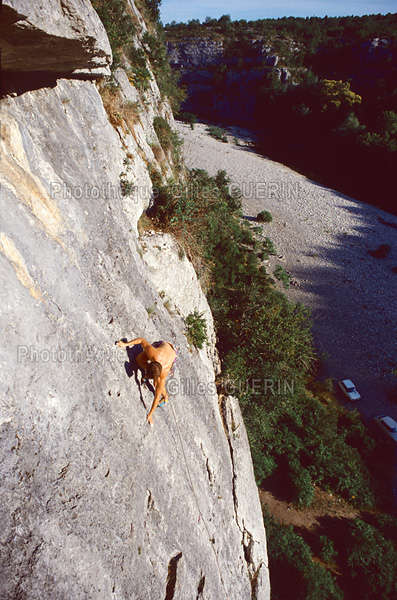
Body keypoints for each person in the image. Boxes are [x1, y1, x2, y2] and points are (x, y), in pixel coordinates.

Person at [116, 337, 178, 426]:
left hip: (172, 354)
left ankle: (166, 397)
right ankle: (148, 375)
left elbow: (156, 397)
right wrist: (125, 344)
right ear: (151, 361)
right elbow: (141, 340)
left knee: (156, 384)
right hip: (163, 346)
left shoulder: (163, 376)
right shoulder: (153, 354)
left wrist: (150, 414)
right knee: (139, 360)